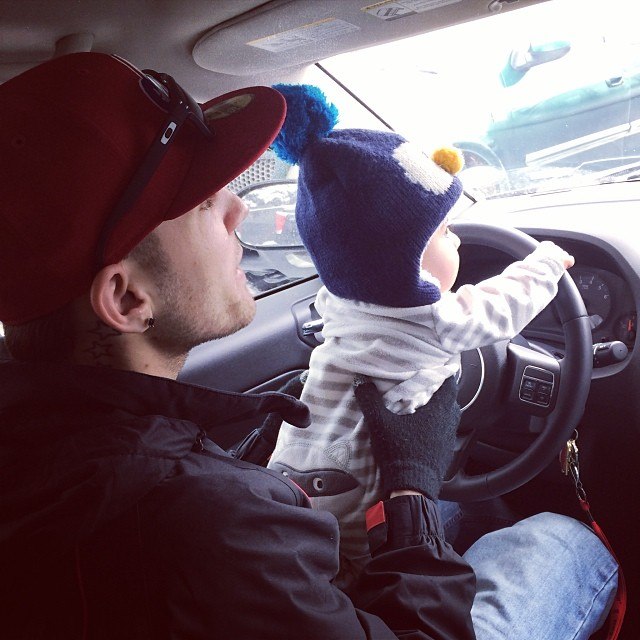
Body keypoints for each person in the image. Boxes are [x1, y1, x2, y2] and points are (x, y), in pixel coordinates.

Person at [0, 54, 616, 640]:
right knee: (560, 541)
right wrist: (410, 493)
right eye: (202, 202)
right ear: (127, 298)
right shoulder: (205, 522)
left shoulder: (50, 452)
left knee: (472, 516)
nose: (239, 207)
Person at [267, 84, 576, 583]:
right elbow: (503, 304)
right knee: (361, 559)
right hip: (360, 493)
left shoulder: (337, 303)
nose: (457, 242)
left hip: (294, 473)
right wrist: (546, 264)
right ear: (406, 257)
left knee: (321, 549)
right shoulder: (435, 319)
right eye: (446, 233)